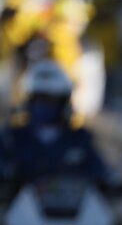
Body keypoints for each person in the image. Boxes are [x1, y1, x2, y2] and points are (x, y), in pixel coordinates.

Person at [0, 59, 112, 195]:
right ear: (28, 102)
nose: (43, 106)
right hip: (22, 206)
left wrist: (109, 182)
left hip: (72, 207)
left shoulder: (79, 139)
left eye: (51, 100)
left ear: (64, 104)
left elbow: (99, 172)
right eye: (38, 100)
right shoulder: (11, 139)